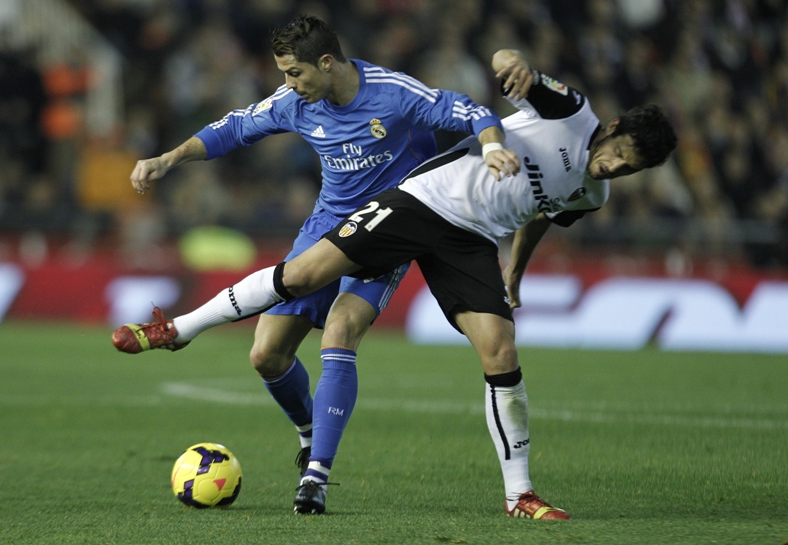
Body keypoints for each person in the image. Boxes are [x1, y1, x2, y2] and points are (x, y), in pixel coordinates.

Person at [114, 47, 678, 518]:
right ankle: (183, 328)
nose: (613, 168)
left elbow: (540, 219)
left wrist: (515, 272)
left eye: (630, 169)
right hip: (422, 201)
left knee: (500, 350)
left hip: (472, 240)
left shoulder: (593, 194)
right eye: (619, 154)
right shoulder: (573, 114)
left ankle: (519, 494)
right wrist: (516, 65)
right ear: (612, 129)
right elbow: (511, 66)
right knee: (306, 274)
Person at [115, 16, 519, 514]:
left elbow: (469, 109)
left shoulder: (392, 93)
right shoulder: (297, 103)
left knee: (340, 331)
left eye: (294, 73)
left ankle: (316, 477)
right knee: (266, 355)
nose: (288, 85)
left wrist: (493, 146)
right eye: (284, 74)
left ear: (327, 63)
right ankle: (309, 432)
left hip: (393, 229)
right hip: (327, 227)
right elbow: (235, 128)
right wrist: (167, 160)